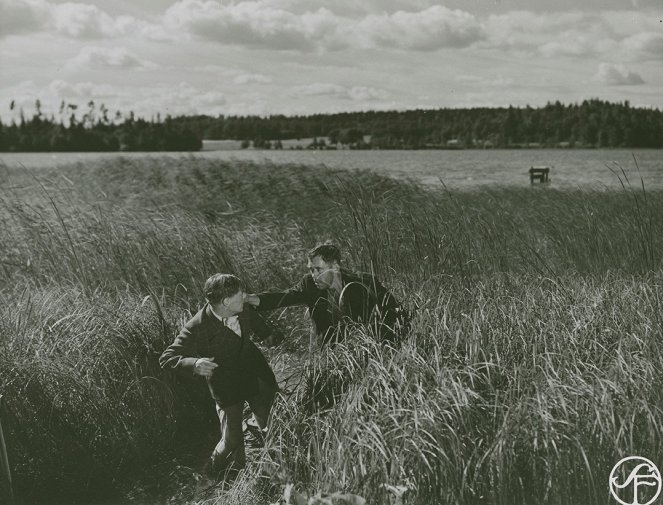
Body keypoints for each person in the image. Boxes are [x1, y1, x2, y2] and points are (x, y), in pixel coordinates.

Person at [159, 273, 278, 478]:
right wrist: (194, 364)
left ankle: (275, 468)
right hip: (226, 385)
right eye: (240, 295)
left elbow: (254, 321)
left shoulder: (241, 306)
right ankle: (208, 477)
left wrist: (267, 334)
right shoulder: (198, 325)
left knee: (270, 422)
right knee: (231, 440)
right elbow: (167, 357)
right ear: (225, 302)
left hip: (254, 373)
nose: (245, 297)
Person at [246, 242, 409, 347]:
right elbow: (283, 297)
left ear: (335, 266)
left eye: (318, 269)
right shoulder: (308, 284)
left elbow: (395, 312)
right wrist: (251, 299)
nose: (313, 275)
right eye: (310, 269)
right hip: (331, 355)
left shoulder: (364, 283)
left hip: (368, 348)